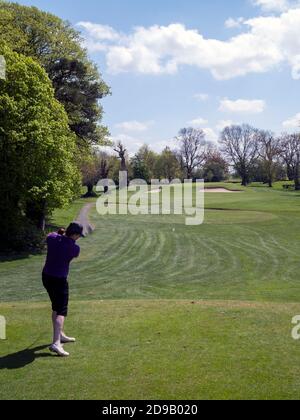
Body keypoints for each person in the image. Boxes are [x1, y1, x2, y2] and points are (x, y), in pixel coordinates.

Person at [42, 222, 84, 357]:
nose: (78, 238)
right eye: (78, 236)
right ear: (75, 235)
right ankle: (56, 343)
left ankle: (60, 334)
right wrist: (65, 236)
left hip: (46, 277)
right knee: (61, 310)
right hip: (59, 280)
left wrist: (60, 233)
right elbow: (72, 248)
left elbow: (51, 235)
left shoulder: (53, 238)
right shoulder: (74, 249)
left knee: (55, 306)